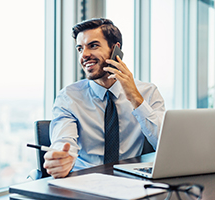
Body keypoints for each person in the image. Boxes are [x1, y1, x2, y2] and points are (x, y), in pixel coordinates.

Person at [43, 18, 165, 178]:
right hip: (85, 181)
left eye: (93, 45)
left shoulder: (148, 91)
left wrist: (135, 98)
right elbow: (64, 140)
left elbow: (165, 146)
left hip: (131, 181)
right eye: (80, 48)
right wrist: (62, 158)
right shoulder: (69, 97)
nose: (84, 55)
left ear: (115, 49)